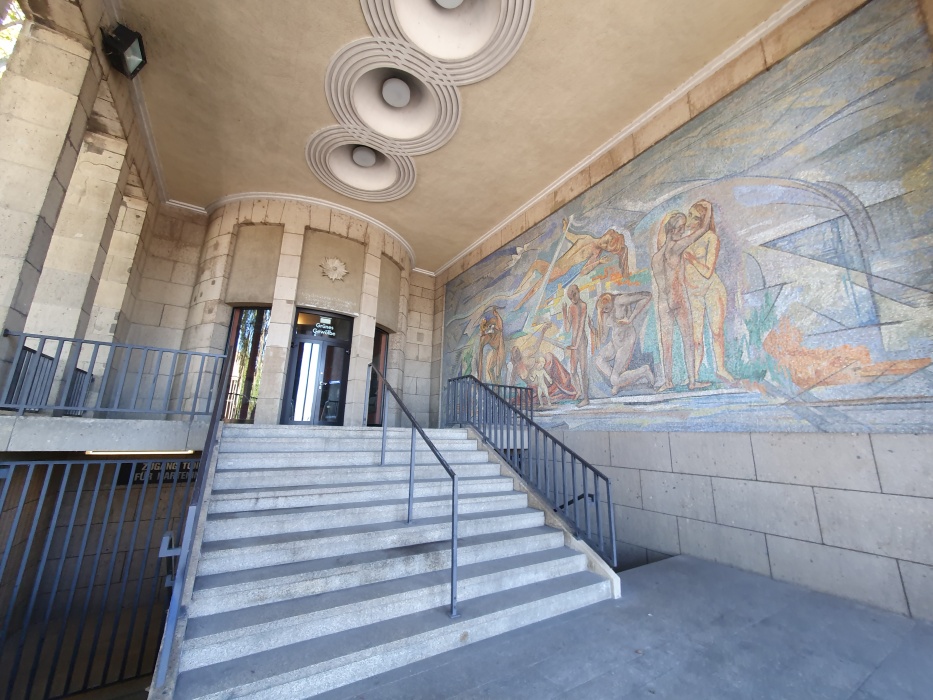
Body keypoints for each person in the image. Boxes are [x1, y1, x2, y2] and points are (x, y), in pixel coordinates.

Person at [650, 211, 713, 391]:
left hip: (664, 303)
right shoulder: (676, 248)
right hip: (678, 298)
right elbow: (702, 230)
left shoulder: (656, 258)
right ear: (673, 230)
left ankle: (668, 381)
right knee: (687, 340)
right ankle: (692, 381)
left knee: (666, 344)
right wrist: (707, 210)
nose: (683, 231)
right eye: (681, 227)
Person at [518, 219, 631, 307]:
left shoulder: (596, 254)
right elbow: (571, 237)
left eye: (606, 247)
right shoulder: (587, 237)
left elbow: (583, 271)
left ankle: (520, 305)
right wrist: (565, 228)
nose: (603, 245)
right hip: (556, 264)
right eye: (606, 241)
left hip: (560, 270)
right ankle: (519, 290)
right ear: (606, 233)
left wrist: (598, 262)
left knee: (538, 285)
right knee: (536, 264)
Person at [683, 200, 734, 383]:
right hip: (693, 293)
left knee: (716, 331)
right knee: (696, 338)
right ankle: (694, 375)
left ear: (702, 221)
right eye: (689, 214)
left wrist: (691, 259)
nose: (689, 220)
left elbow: (707, 272)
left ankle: (721, 369)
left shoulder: (711, 238)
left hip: (712, 289)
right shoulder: (686, 240)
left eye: (695, 217)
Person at [594, 291, 654, 394]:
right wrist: (594, 331)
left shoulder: (620, 300)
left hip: (626, 340)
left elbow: (647, 296)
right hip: (615, 341)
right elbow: (604, 337)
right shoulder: (606, 312)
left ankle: (644, 370)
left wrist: (630, 319)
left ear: (608, 301)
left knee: (614, 379)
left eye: (606, 309)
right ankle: (617, 381)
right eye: (603, 310)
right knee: (599, 360)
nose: (605, 311)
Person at [562, 284, 592, 406]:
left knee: (583, 370)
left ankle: (586, 398)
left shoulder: (583, 305)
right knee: (573, 371)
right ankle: (579, 390)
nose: (573, 300)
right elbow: (567, 328)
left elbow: (581, 327)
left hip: (581, 341)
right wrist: (564, 313)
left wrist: (576, 345)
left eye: (574, 296)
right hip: (574, 342)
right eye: (571, 298)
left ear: (578, 292)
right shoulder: (571, 307)